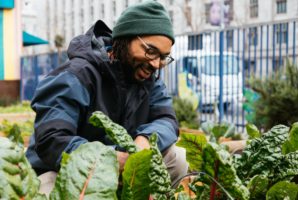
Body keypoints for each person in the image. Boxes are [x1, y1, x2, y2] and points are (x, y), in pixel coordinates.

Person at [26, 0, 188, 195]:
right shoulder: (76, 76)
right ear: (124, 40)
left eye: (163, 57)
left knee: (176, 158)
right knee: (48, 188)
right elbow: (52, 140)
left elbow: (167, 119)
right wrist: (108, 160)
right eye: (150, 51)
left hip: (121, 168)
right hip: (62, 172)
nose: (155, 64)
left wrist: (145, 140)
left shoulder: (149, 80)